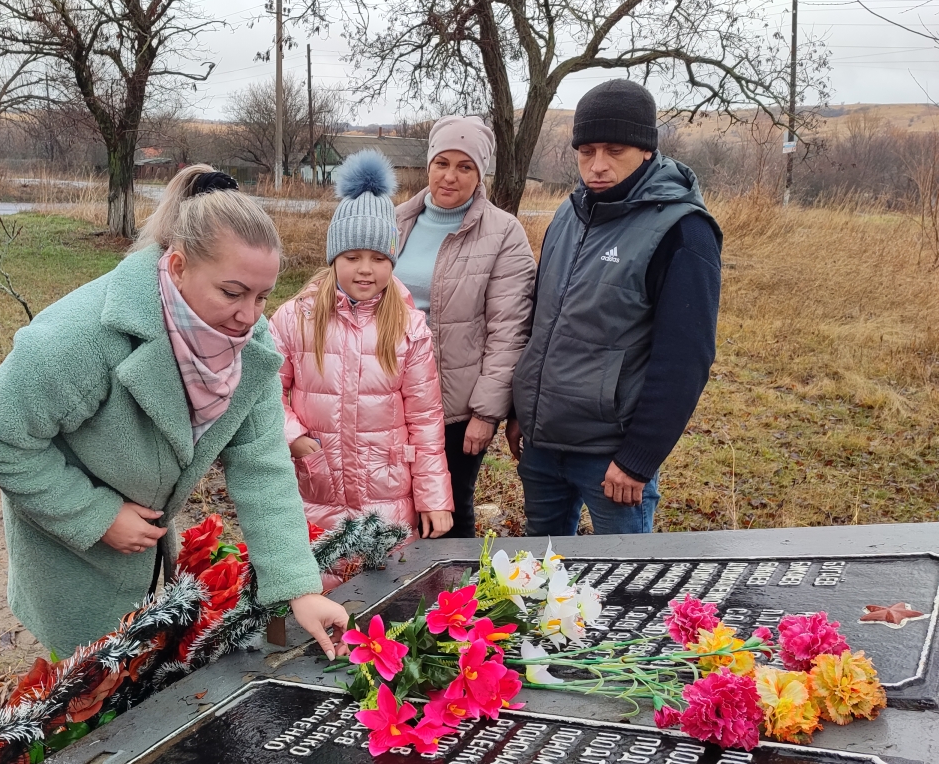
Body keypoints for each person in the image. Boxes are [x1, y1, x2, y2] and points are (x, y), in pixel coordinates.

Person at [0, 165, 350, 661]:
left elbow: (263, 466)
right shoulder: (82, 335)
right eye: (232, 293)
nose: (250, 317)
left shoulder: (249, 347)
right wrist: (96, 515)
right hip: (69, 557)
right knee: (82, 703)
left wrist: (300, 588)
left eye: (262, 297)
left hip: (147, 556)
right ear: (178, 266)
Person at [508, 79, 723, 535]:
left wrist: (638, 460)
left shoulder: (684, 231)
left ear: (646, 149)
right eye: (586, 151)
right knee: (537, 589)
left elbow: (686, 359)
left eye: (613, 150)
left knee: (627, 589)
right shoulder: (569, 215)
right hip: (543, 447)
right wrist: (520, 413)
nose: (597, 166)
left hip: (612, 462)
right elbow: (539, 324)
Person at [269, 150, 453, 554]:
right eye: (352, 257)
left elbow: (425, 420)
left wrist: (434, 499)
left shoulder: (409, 328)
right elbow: (262, 389)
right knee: (320, 598)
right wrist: (295, 438)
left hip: (387, 498)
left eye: (378, 258)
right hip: (315, 493)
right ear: (334, 257)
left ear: (393, 261)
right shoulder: (294, 318)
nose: (365, 269)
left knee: (384, 605)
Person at [395, 116, 536, 537]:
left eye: (465, 166)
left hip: (456, 404)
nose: (450, 176)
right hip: (392, 393)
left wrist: (486, 413)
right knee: (396, 501)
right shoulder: (396, 220)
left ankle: (454, 599)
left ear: (481, 174)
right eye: (442, 162)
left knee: (450, 506)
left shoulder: (504, 233)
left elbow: (509, 329)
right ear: (428, 165)